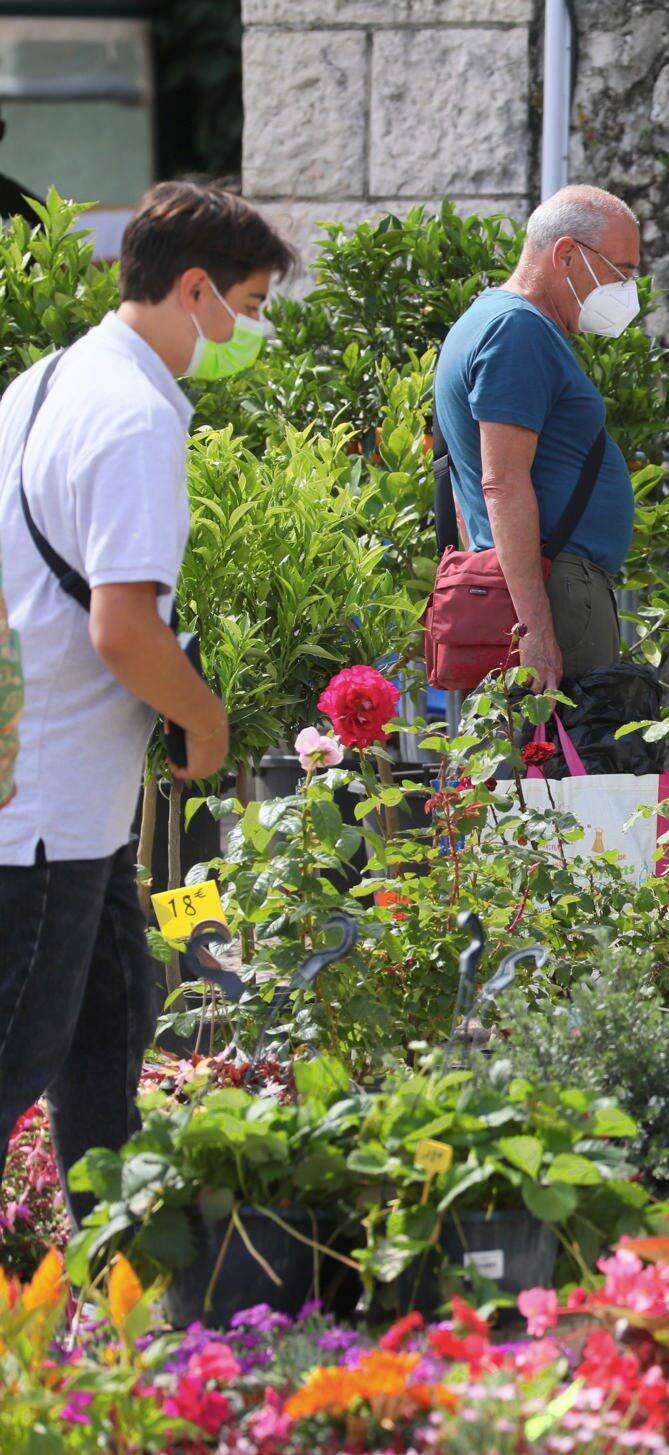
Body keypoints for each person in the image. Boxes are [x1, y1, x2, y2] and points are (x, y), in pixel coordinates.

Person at [0, 180, 291, 1205]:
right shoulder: (133, 421)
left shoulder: (46, 382)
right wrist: (204, 717)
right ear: (196, 289)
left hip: (56, 799)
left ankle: (107, 1290)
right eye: (250, 307)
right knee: (19, 1059)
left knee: (111, 1033)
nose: (250, 332)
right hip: (45, 817)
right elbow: (123, 629)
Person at [432, 184, 642, 693]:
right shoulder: (516, 330)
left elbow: (468, 486)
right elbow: (500, 482)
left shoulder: (492, 321)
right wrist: (535, 628)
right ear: (567, 254)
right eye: (621, 272)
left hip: (544, 582)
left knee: (541, 765)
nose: (627, 290)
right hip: (554, 592)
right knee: (571, 767)